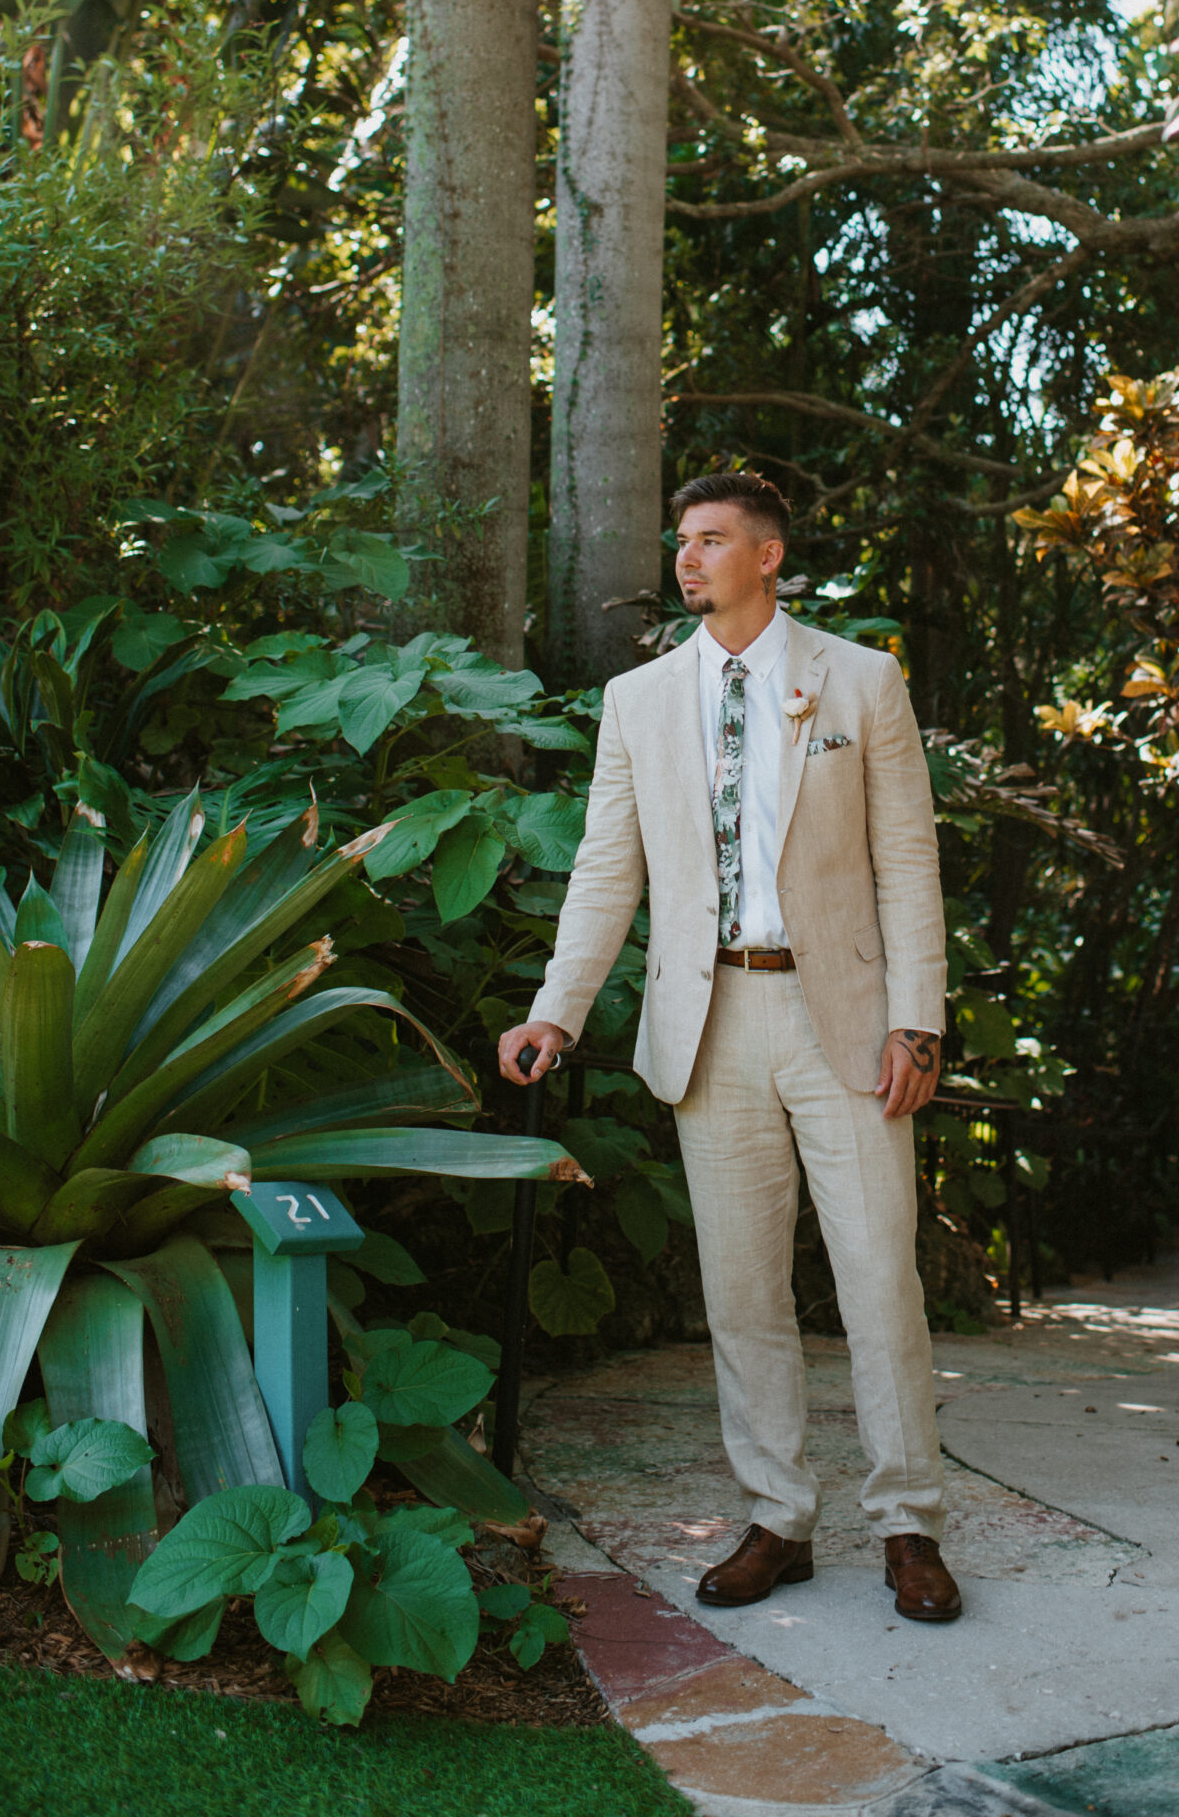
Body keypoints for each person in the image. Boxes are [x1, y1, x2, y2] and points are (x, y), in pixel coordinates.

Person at [497, 470, 960, 1622]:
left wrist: (920, 1019)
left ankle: (907, 1524)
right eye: (680, 542)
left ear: (768, 556)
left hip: (845, 1022)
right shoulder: (637, 699)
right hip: (709, 1022)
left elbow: (907, 861)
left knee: (876, 1277)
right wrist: (556, 1005)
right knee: (742, 1288)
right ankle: (777, 1519)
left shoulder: (860, 680)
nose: (685, 559)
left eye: (709, 541)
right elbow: (609, 867)